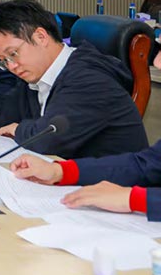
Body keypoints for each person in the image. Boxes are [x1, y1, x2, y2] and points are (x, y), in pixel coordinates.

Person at [0, 0, 147, 159]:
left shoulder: (87, 78)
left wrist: (18, 129)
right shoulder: (35, 79)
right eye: (4, 61)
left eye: (13, 53)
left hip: (111, 183)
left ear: (41, 37)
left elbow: (49, 140)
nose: (12, 66)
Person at [9, 49, 161, 219]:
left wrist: (135, 199)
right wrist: (60, 171)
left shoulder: (87, 77)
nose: (157, 62)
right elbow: (146, 164)